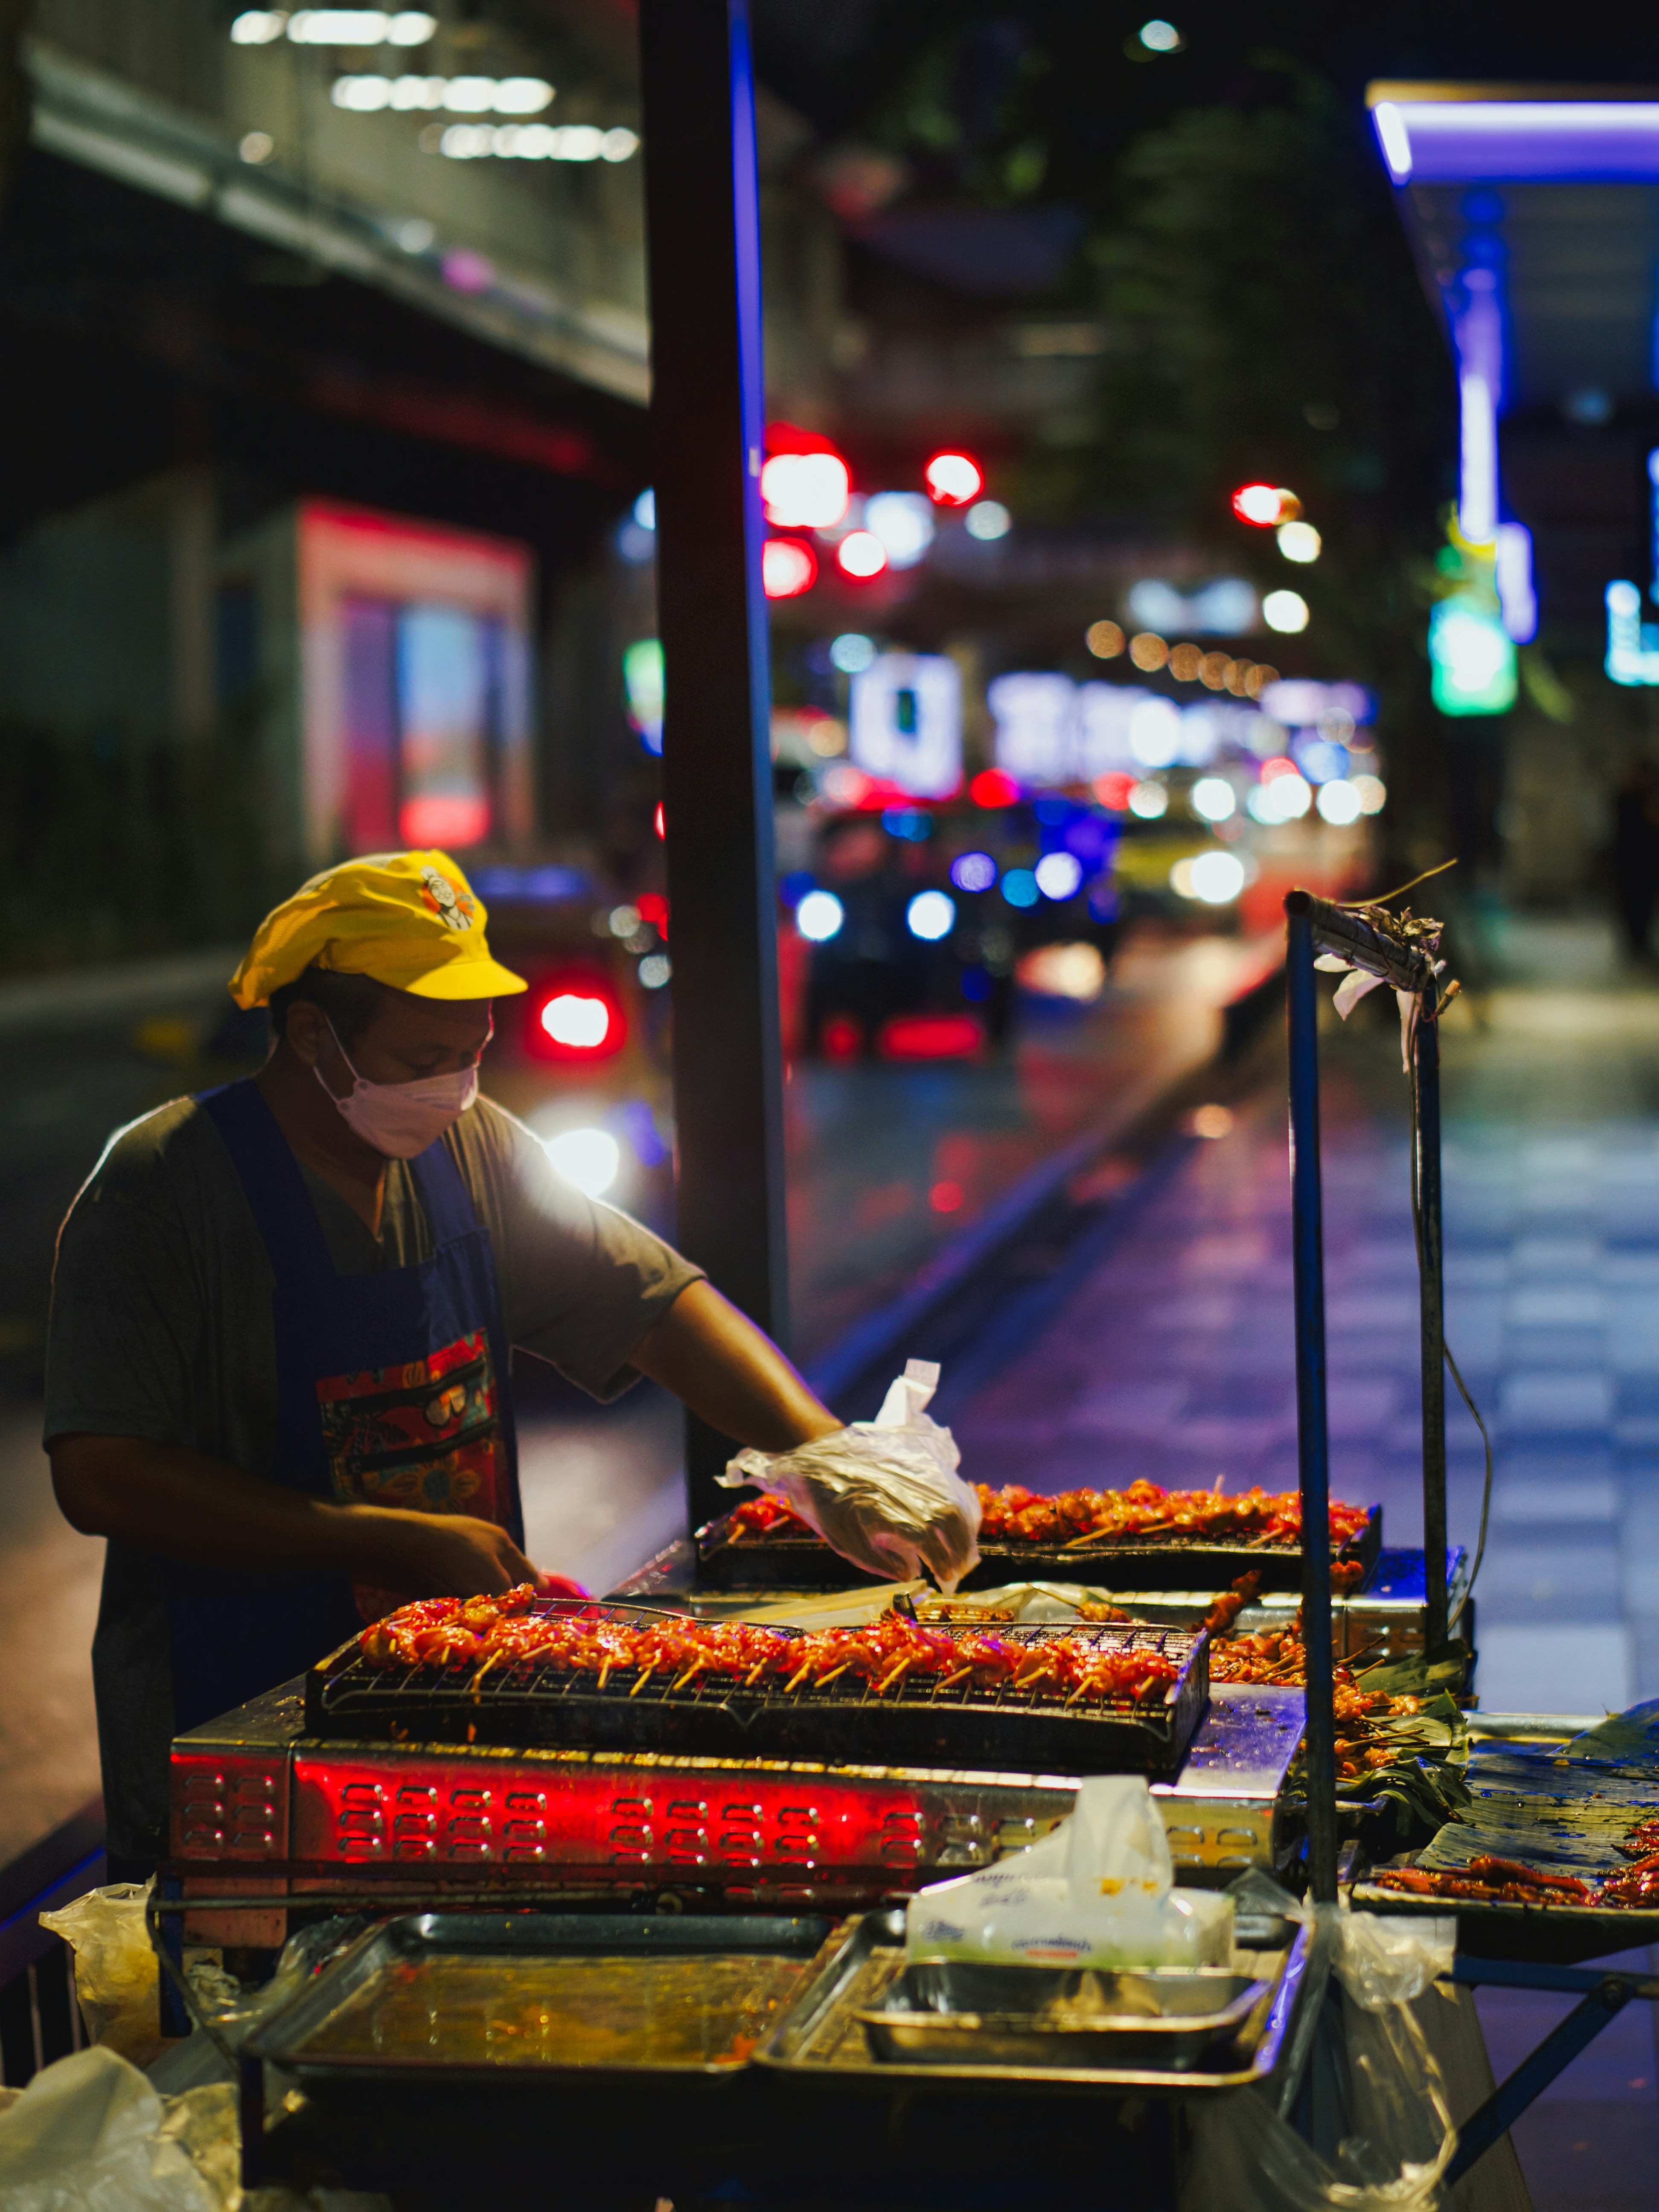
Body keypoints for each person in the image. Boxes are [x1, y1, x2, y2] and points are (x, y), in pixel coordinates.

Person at [46, 851, 857, 1877]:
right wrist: (395, 1538)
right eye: (424, 1057)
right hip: (238, 1761)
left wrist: (836, 1457)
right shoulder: (165, 1188)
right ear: (312, 1037)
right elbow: (99, 1472)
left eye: (472, 1054)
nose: (455, 1087)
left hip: (453, 1747)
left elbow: (655, 1303)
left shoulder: (478, 1151)